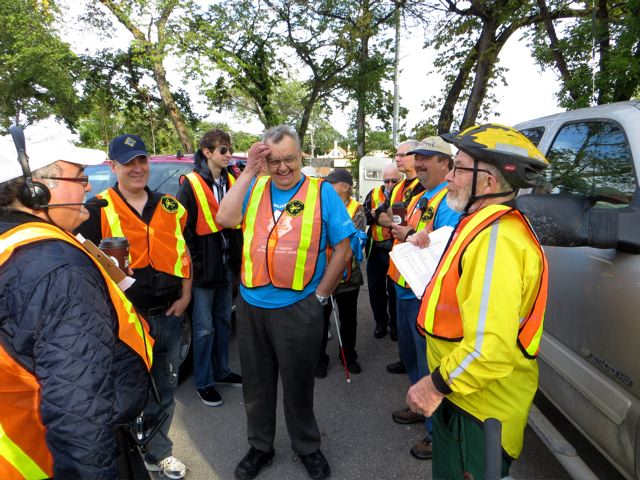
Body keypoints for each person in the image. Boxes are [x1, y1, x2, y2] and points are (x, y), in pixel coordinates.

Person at [0, 127, 151, 479]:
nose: (88, 186)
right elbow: (79, 410)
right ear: (37, 189)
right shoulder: (58, 268)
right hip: (48, 457)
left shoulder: (12, 239)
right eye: (79, 177)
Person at [406, 124, 549, 479]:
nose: (450, 177)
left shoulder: (497, 241)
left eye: (458, 168)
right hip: (465, 398)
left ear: (486, 183)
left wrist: (433, 384)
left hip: (476, 408)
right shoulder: (485, 225)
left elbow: (489, 348)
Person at [216, 125, 355, 480]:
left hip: (300, 307)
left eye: (289, 159)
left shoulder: (322, 192)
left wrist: (321, 296)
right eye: (274, 160)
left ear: (300, 157)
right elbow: (224, 219)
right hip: (251, 304)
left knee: (298, 384)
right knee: (257, 386)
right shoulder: (254, 186)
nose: (282, 167)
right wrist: (248, 170)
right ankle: (259, 446)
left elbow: (343, 249)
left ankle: (307, 446)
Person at [75, 134, 192, 480]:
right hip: (122, 321)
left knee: (164, 387)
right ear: (113, 167)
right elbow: (84, 263)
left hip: (168, 315)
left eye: (141, 160)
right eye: (128, 162)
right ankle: (122, 459)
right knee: (121, 392)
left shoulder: (169, 205)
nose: (137, 168)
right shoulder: (93, 210)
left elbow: (184, 254)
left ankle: (159, 452)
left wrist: (186, 295)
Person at [387, 136, 461, 460]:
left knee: (429, 363)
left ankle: (437, 434)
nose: (418, 164)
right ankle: (420, 407)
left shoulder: (448, 200)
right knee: (413, 358)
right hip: (405, 289)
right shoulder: (422, 197)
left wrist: (407, 236)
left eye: (427, 159)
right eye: (417, 159)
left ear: (446, 164)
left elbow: (446, 247)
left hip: (424, 294)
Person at [176, 129, 242, 408]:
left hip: (227, 266)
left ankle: (222, 371)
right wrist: (197, 264)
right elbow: (182, 229)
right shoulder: (190, 183)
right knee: (203, 329)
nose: (229, 155)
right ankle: (204, 382)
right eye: (223, 150)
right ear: (207, 153)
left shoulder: (232, 180)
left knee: (224, 321)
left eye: (229, 150)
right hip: (204, 271)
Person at [374, 140, 425, 375]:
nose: (398, 158)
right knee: (404, 331)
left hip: (417, 272)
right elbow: (380, 214)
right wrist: (395, 223)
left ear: (417, 157)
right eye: (396, 154)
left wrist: (399, 224)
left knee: (417, 335)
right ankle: (406, 361)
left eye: (403, 154)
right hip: (399, 267)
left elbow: (404, 223)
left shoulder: (425, 187)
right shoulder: (399, 187)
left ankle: (419, 379)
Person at [316, 168, 366, 378]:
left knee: (348, 319)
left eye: (332, 183)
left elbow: (348, 238)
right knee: (319, 319)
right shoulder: (320, 205)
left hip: (348, 275)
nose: (326, 187)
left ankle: (348, 355)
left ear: (344, 187)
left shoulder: (357, 209)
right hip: (322, 273)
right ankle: (319, 359)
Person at [363, 163, 401, 341]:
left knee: (394, 291)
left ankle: (395, 326)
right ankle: (380, 323)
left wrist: (377, 214)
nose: (390, 184)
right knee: (375, 289)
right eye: (386, 180)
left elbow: (401, 220)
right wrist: (377, 215)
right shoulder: (373, 193)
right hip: (376, 249)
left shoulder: (403, 193)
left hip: (395, 250)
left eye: (394, 180)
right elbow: (366, 215)